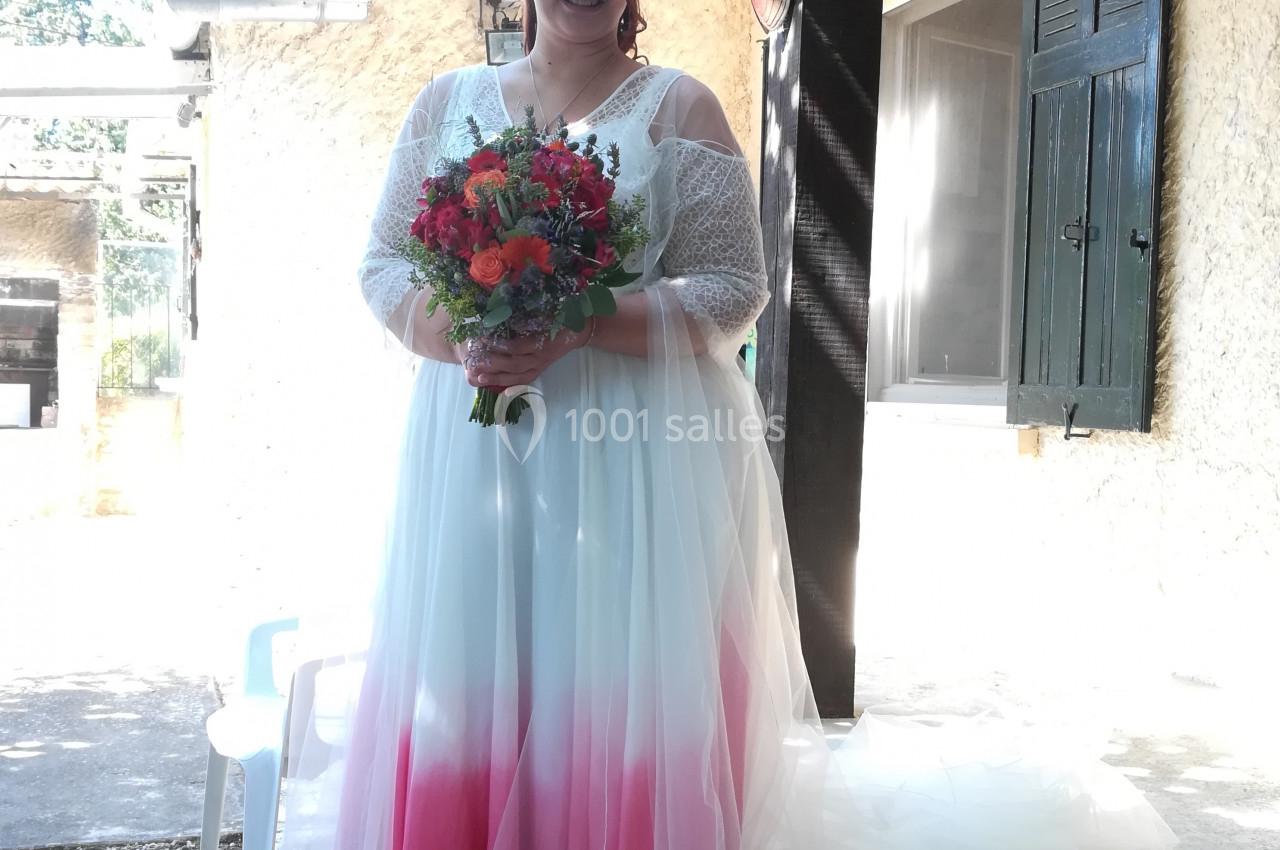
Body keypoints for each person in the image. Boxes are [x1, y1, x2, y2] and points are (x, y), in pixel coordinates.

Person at [279, 2, 1180, 848]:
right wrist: (465, 337)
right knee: (477, 675)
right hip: (479, 453)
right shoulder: (446, 103)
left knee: (609, 687)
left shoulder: (680, 107)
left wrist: (580, 320)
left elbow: (731, 288)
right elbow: (385, 261)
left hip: (625, 462)